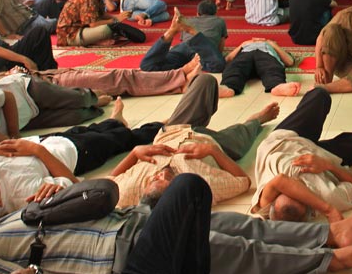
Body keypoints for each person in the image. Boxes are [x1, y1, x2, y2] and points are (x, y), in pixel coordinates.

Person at [0, 173, 352, 274]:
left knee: (231, 226)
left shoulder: (3, 222)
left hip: (127, 228)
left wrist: (55, 196)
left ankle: (328, 234)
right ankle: (328, 261)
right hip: (124, 264)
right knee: (192, 198)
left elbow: (93, 196)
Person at [0, 173, 215, 274]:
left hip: (123, 234)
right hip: (123, 263)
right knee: (187, 187)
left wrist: (50, 196)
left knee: (187, 192)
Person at [0, 99, 160, 228]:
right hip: (74, 154)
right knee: (120, 139)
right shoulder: (24, 194)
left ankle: (116, 120)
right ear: (0, 201)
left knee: (94, 129)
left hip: (48, 140)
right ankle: (162, 125)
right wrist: (37, 152)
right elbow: (74, 184)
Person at [109, 81, 279, 208]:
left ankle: (194, 107)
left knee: (205, 80)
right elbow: (243, 181)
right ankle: (255, 121)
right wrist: (211, 151)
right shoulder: (199, 184)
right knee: (240, 140)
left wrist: (135, 153)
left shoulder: (129, 191)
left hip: (174, 130)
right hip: (215, 144)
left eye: (155, 178)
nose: (161, 174)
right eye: (166, 179)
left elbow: (108, 181)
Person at [0, 70, 110, 161]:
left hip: (26, 91)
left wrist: (14, 133)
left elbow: (7, 97)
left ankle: (93, 97)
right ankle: (93, 105)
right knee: (78, 116)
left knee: (79, 99)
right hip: (26, 120)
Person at [251, 87, 352, 221]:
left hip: (286, 139)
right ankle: (318, 145)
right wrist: (327, 165)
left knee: (320, 95)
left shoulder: (264, 204)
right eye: (299, 195)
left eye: (287, 192)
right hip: (318, 154)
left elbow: (281, 181)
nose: (294, 189)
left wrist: (327, 210)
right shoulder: (328, 196)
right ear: (309, 207)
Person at [0, 50, 202, 99]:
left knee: (116, 77)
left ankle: (175, 81)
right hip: (55, 86)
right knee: (118, 78)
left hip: (51, 77)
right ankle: (178, 78)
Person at [140, 7, 228, 73]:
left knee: (147, 66)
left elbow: (182, 40)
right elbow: (221, 46)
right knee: (218, 65)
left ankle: (170, 32)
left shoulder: (189, 20)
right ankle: (192, 31)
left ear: (197, 13)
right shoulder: (220, 21)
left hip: (183, 46)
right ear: (215, 13)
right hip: (202, 48)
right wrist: (214, 52)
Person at [218, 37, 302, 98]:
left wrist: (272, 44)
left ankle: (277, 86)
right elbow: (228, 59)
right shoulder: (245, 46)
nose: (258, 40)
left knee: (272, 68)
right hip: (245, 54)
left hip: (265, 54)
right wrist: (243, 44)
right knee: (235, 67)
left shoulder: (271, 46)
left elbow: (289, 61)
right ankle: (228, 87)